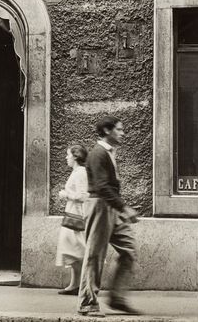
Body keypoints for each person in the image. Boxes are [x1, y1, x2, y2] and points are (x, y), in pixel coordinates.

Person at [77, 116, 139, 317]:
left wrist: (119, 208)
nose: (123, 133)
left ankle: (116, 299)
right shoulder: (97, 154)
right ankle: (87, 303)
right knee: (95, 255)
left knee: (129, 250)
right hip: (100, 206)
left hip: (111, 207)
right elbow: (102, 186)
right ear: (106, 131)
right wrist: (124, 208)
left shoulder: (109, 152)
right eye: (119, 130)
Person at [56, 144, 90, 295]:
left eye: (68, 155)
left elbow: (83, 196)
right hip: (72, 214)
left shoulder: (80, 173)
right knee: (71, 251)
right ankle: (74, 284)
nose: (66, 157)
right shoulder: (76, 172)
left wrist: (66, 195)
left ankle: (84, 285)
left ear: (75, 156)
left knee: (77, 250)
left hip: (77, 217)